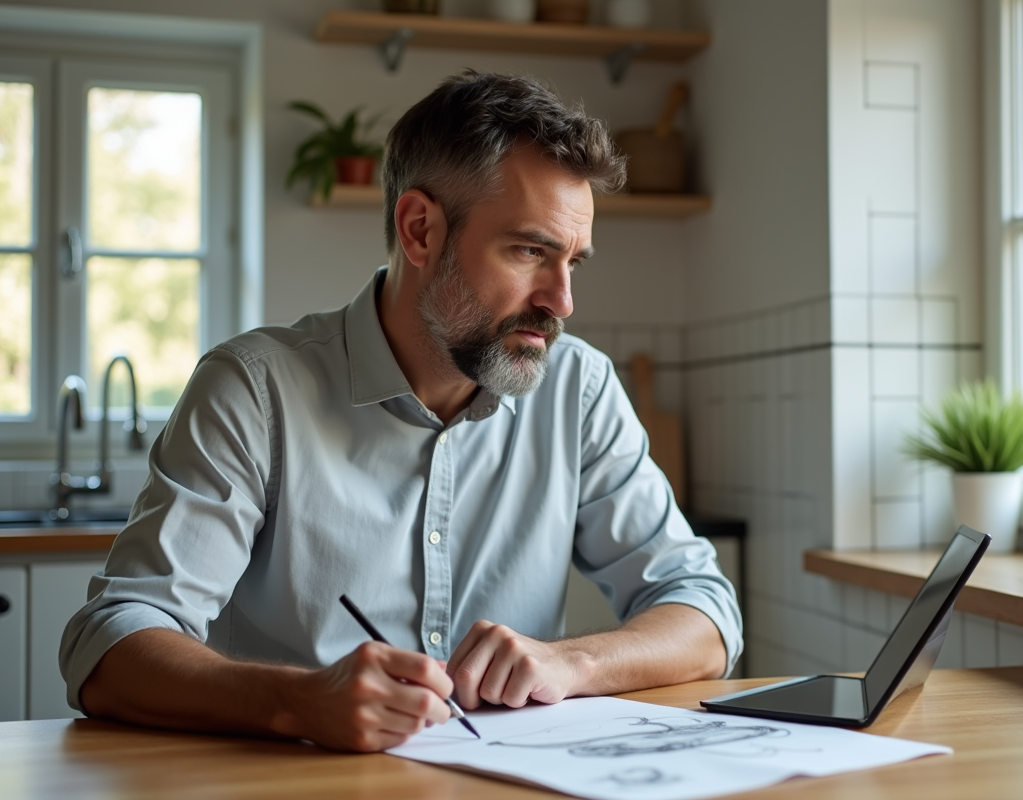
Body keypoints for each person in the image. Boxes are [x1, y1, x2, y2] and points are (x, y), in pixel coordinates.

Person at [60, 71, 742, 753]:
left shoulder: (580, 390)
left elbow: (706, 614)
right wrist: (296, 702)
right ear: (420, 231)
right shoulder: (254, 389)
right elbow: (109, 644)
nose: (561, 300)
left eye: (573, 263)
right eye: (530, 251)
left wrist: (575, 662)